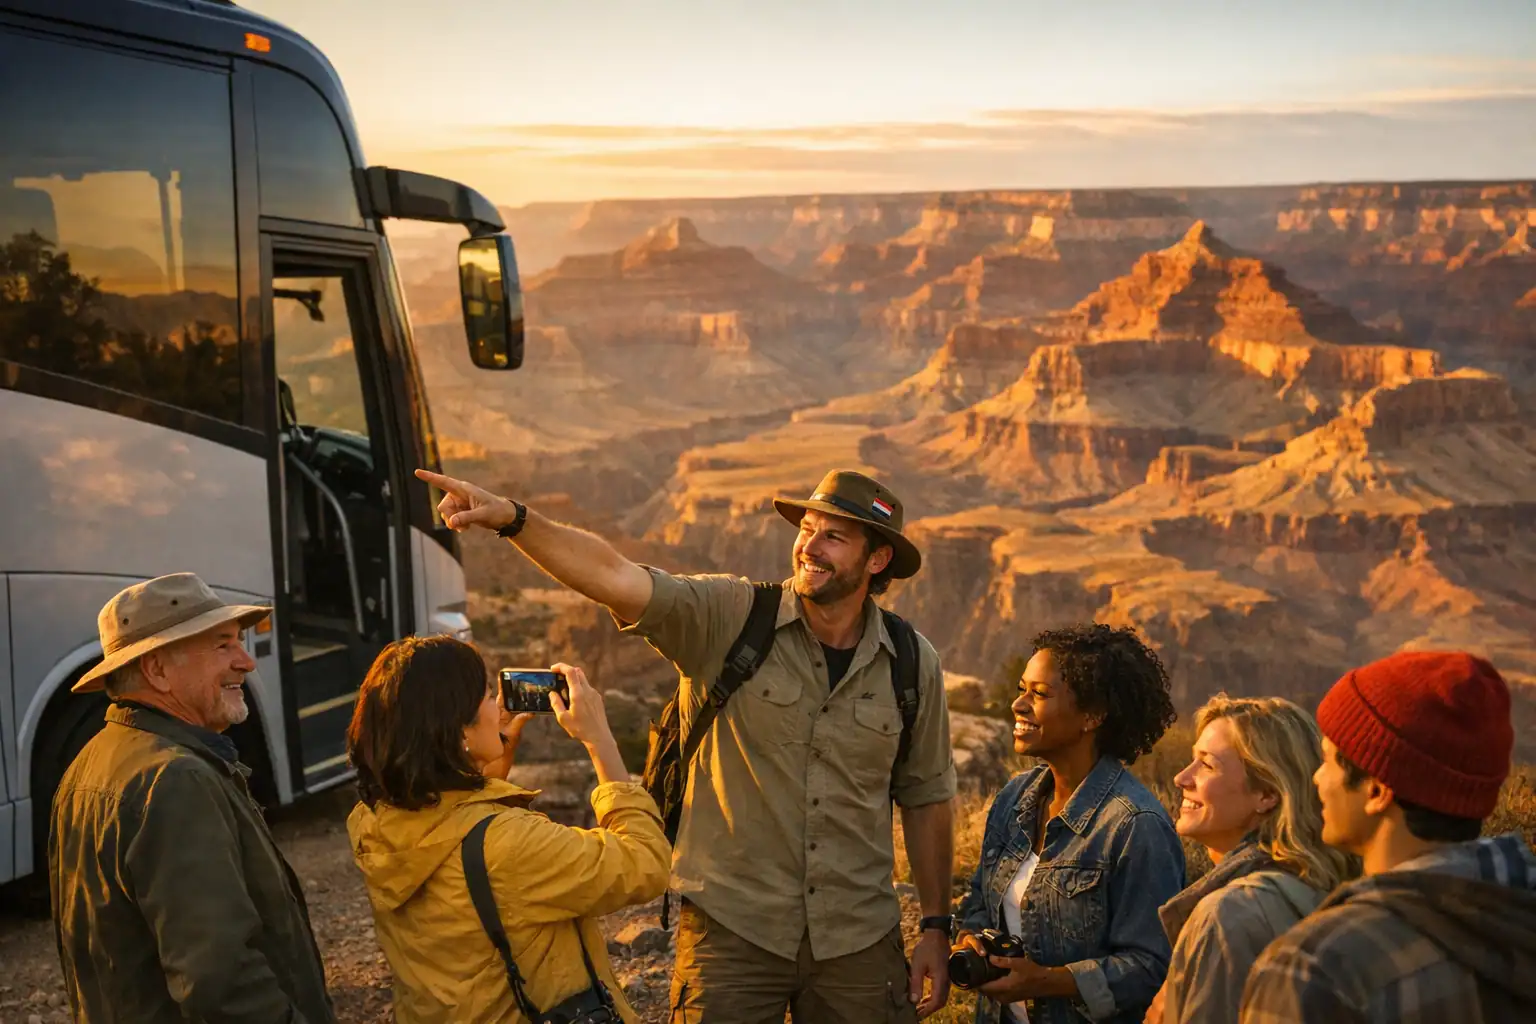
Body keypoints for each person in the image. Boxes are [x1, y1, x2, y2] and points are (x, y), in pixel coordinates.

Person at [417, 466, 958, 1023]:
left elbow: (926, 797)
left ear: (877, 560)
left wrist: (937, 928)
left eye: (833, 537)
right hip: (732, 935)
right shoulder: (730, 615)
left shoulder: (912, 663)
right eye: (806, 529)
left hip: (859, 944)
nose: (808, 547)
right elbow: (614, 576)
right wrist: (514, 519)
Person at [49, 572, 335, 1024]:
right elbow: (222, 983)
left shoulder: (91, 763)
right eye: (222, 645)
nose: (246, 662)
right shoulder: (174, 780)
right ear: (157, 670)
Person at [345, 637, 670, 1023]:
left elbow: (457, 846)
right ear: (456, 729)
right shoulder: (509, 843)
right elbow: (645, 863)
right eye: (484, 697)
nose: (495, 705)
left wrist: (482, 764)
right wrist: (599, 740)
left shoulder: (371, 821)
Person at [1240, 650, 1536, 1023]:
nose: (1316, 778)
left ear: (1377, 792)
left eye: (1328, 760)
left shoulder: (1317, 969)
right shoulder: (1518, 922)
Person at [953, 623, 1185, 1024]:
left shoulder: (1134, 826)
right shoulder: (1013, 799)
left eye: (1039, 694)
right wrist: (971, 938)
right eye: (1022, 688)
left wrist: (1045, 981)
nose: (1018, 704)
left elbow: (1151, 966)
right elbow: (979, 902)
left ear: (1093, 715)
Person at [1147, 695, 1355, 1024]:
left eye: (1207, 764)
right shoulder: (1323, 887)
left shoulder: (1229, 916)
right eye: (1191, 760)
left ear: (1267, 794)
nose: (1182, 778)